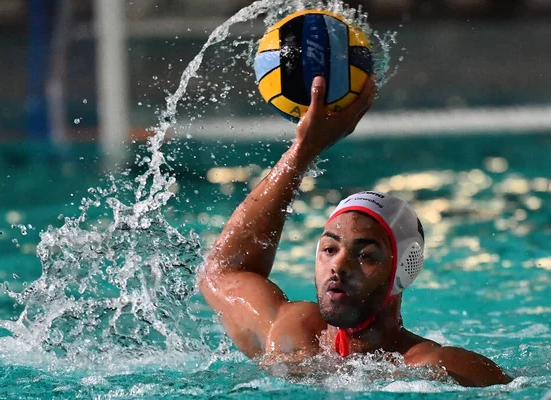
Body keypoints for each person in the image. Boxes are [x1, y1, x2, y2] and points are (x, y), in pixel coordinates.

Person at [199, 76, 512, 387]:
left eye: (364, 254)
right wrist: (302, 152)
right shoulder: (293, 336)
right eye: (330, 249)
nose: (339, 265)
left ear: (404, 269)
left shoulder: (436, 368)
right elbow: (221, 272)